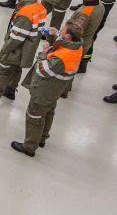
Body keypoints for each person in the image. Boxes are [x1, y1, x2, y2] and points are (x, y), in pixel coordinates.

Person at [11, 22, 84, 157]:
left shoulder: (63, 57)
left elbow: (44, 70)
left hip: (44, 90)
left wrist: (44, 53)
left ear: (68, 36)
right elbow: (59, 47)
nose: (59, 32)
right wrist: (52, 37)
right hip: (54, 90)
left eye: (61, 31)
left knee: (35, 115)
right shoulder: (76, 46)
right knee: (48, 111)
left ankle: (29, 146)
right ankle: (42, 138)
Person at [66, 0, 105, 80]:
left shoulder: (85, 14)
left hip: (76, 43)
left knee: (68, 69)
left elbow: (74, 31)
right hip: (88, 40)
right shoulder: (100, 5)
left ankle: (64, 91)